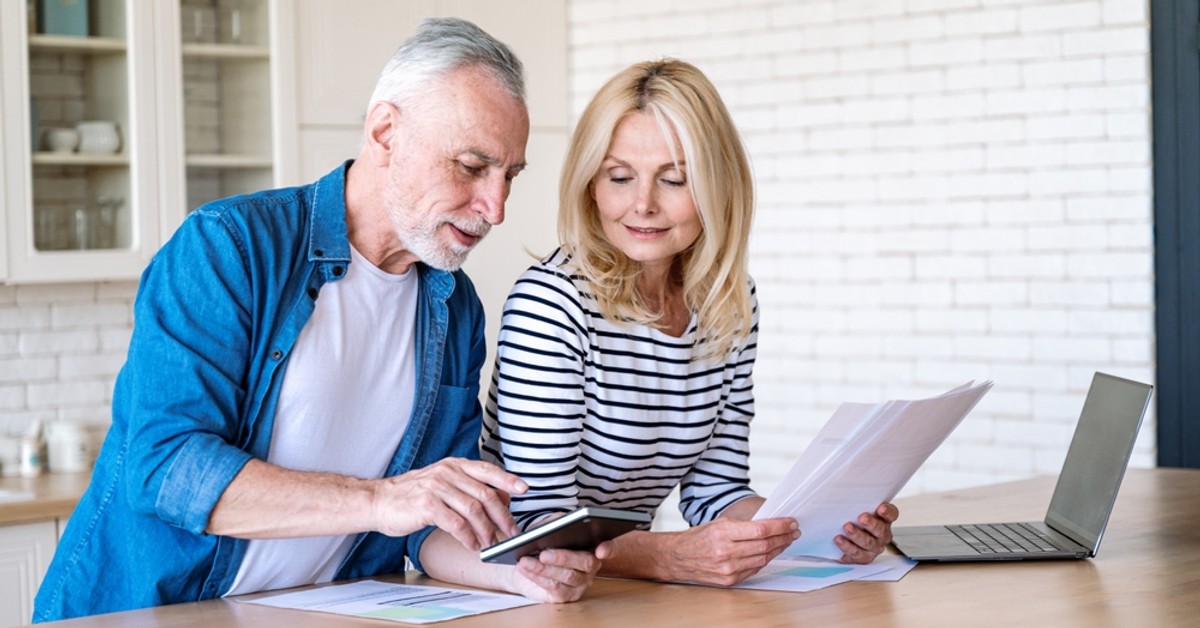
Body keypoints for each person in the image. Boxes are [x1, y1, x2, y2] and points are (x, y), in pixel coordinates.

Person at [33, 17, 602, 622]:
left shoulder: (453, 305)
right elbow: (166, 467)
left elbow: (424, 530)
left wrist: (521, 573)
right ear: (385, 132)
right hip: (142, 614)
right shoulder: (231, 247)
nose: (496, 207)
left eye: (508, 175)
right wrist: (381, 501)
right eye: (470, 166)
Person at [480, 59, 898, 586]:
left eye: (674, 179)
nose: (643, 204)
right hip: (527, 592)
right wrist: (667, 557)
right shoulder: (553, 303)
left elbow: (716, 493)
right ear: (590, 185)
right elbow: (538, 522)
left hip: (620, 590)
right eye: (619, 177)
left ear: (716, 187)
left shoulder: (728, 302)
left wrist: (822, 531)